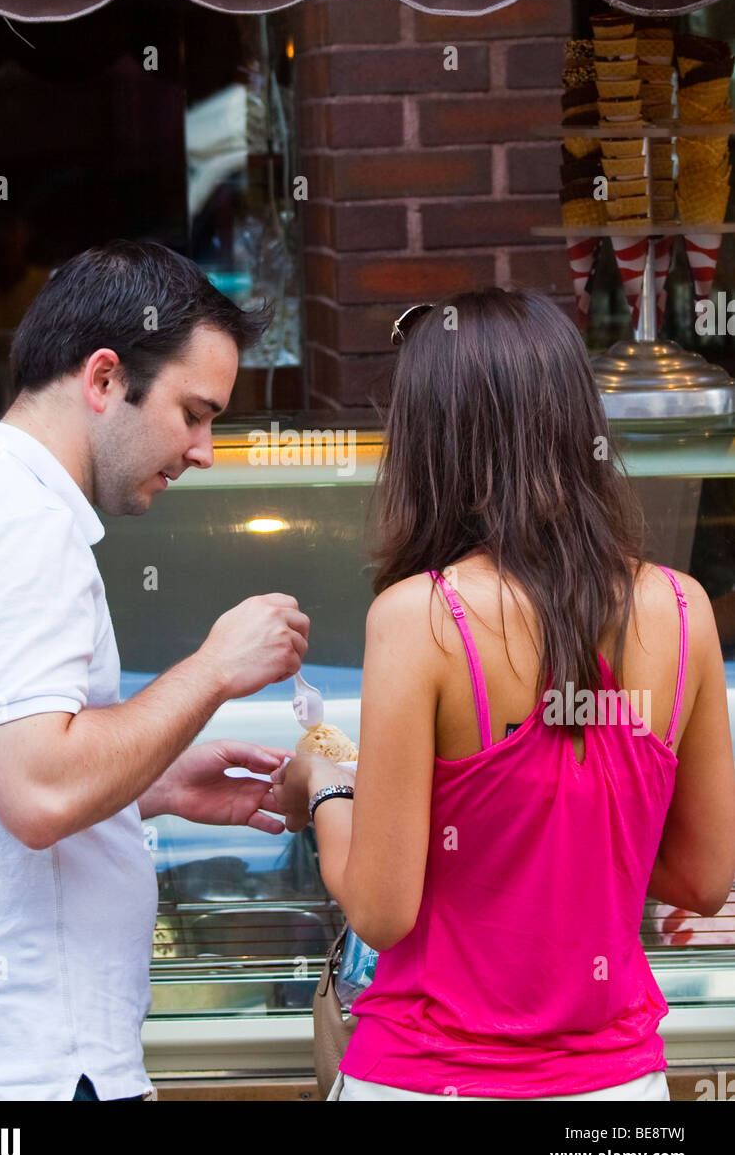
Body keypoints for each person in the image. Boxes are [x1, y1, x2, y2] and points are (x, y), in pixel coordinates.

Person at [0, 240, 309, 1101]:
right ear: (104, 379)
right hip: (25, 1061)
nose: (204, 450)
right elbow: (39, 793)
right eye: (194, 412)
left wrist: (150, 786)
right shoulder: (19, 525)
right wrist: (215, 669)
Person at [272, 288, 735, 1102]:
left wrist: (326, 780)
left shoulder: (420, 617)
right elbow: (704, 879)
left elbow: (382, 909)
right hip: (618, 1094)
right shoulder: (684, 607)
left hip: (429, 1081)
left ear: (429, 442)